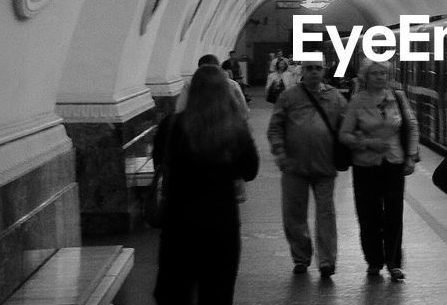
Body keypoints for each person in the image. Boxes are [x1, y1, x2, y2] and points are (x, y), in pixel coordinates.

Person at [149, 63, 259, 305]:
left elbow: (158, 162)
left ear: (191, 91)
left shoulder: (172, 126)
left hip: (179, 228)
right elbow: (251, 170)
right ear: (225, 93)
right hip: (221, 229)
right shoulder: (235, 129)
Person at [339, 59, 419, 281]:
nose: (379, 77)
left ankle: (394, 262)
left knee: (394, 214)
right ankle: (374, 261)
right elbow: (343, 134)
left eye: (383, 74)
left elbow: (411, 126)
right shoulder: (357, 101)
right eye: (374, 73)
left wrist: (411, 157)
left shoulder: (398, 97)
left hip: (393, 162)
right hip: (365, 165)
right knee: (368, 214)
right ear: (365, 76)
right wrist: (367, 143)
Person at [267, 54, 346, 276]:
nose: (313, 72)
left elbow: (348, 124)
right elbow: (275, 127)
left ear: (324, 71)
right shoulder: (289, 97)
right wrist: (280, 152)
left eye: (317, 68)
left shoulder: (335, 97)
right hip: (294, 166)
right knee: (294, 214)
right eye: (309, 68)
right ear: (302, 71)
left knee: (326, 215)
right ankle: (301, 256)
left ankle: (327, 261)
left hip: (324, 166)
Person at [176, 53, 249, 117]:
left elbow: (180, 108)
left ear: (199, 68)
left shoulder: (190, 85)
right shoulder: (232, 85)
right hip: (225, 125)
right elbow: (243, 111)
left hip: (197, 125)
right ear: (219, 67)